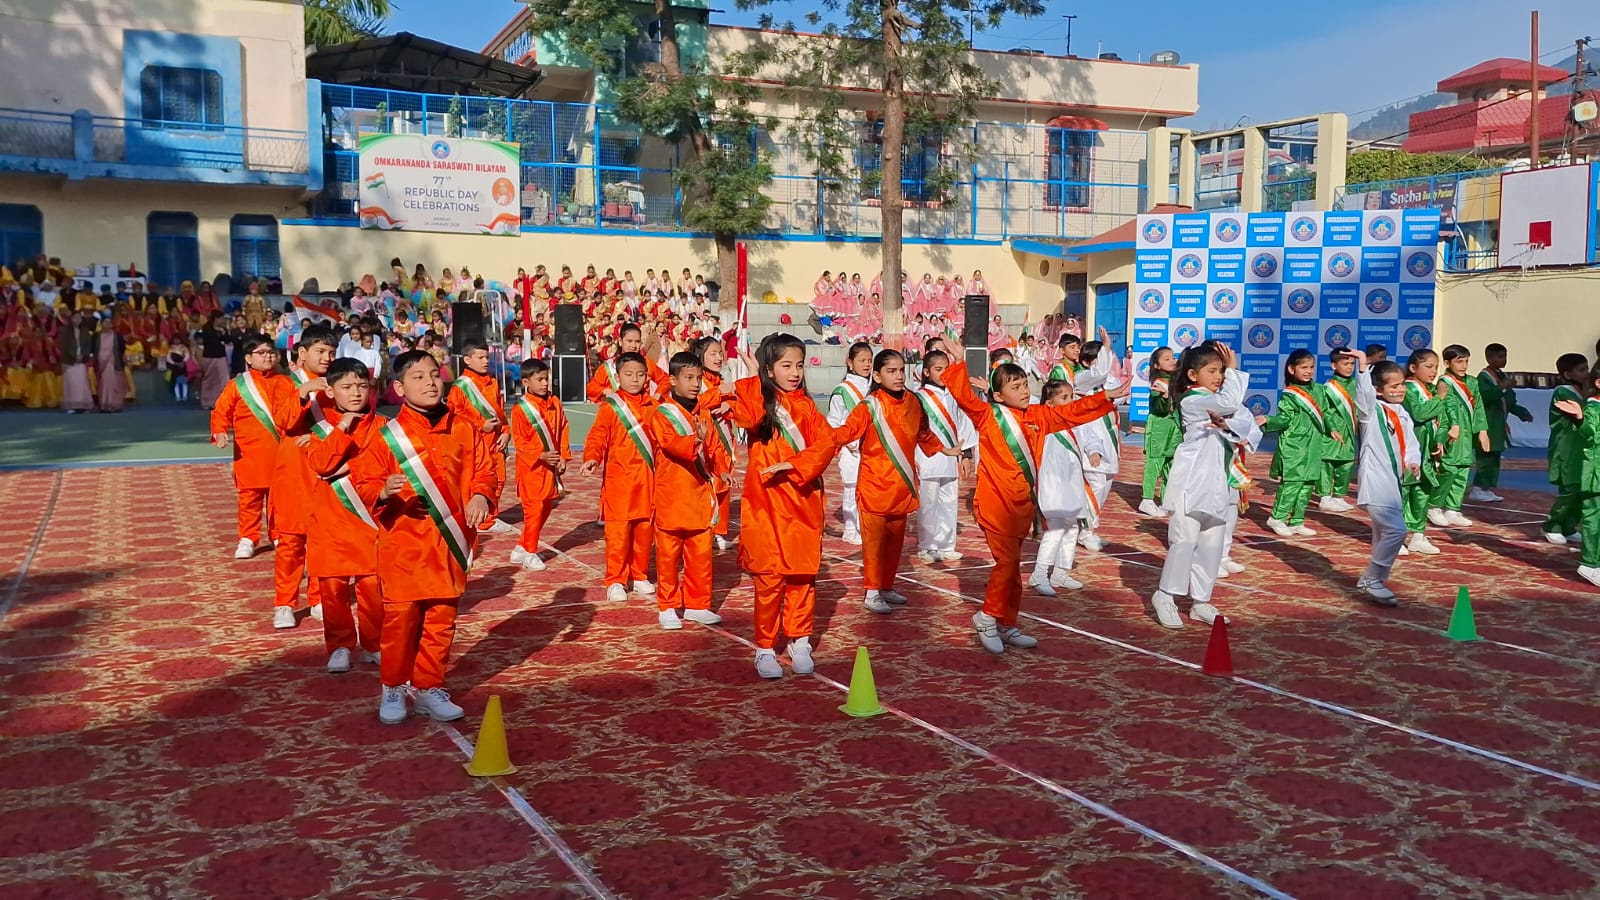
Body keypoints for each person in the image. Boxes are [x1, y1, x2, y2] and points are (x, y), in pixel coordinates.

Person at [931, 337, 1122, 653]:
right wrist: (960, 361)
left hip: (1022, 506)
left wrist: (1105, 398)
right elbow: (963, 396)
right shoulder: (987, 415)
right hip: (995, 505)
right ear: (997, 395)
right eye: (1015, 387)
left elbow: (1072, 412)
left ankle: (1007, 623)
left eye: (1024, 384)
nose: (1023, 390)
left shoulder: (1038, 415)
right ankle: (987, 618)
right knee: (1006, 564)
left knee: (1013, 568)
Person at [353, 349, 498, 725]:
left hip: (449, 544)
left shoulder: (464, 427)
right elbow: (363, 481)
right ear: (399, 388)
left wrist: (481, 495)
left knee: (441, 621)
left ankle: (430, 685)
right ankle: (393, 687)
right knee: (400, 621)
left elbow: (485, 470)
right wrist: (383, 491)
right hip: (405, 545)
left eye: (434, 374)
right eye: (418, 377)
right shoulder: (387, 437)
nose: (430, 383)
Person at [726, 334, 841, 678]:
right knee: (769, 579)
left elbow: (827, 443)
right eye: (786, 365)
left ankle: (799, 639)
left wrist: (794, 464)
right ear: (769, 370)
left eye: (799, 365)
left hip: (803, 502)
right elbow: (748, 418)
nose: (794, 373)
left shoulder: (807, 407)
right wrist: (752, 381)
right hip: (766, 505)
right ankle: (764, 648)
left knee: (802, 577)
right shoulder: (761, 402)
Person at [832, 349, 950, 614]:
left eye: (901, 371)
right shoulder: (869, 406)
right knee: (874, 544)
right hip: (875, 485)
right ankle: (872, 591)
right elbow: (843, 433)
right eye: (891, 371)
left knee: (895, 542)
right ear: (877, 375)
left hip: (901, 485)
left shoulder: (913, 402)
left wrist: (945, 449)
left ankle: (886, 585)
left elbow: (923, 433)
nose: (898, 376)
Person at [1150, 343, 1249, 628]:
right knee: (1184, 541)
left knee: (1211, 544)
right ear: (1193, 375)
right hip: (1192, 482)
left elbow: (1245, 424)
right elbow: (1230, 405)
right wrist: (1233, 371)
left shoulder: (1217, 399)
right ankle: (1165, 595)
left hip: (1218, 482)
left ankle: (1201, 601)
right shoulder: (1192, 400)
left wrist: (1230, 427)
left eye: (1221, 371)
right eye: (1213, 371)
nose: (1219, 376)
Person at [303, 358, 385, 671]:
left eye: (362, 386)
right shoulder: (322, 428)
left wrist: (353, 466)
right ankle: (339, 646)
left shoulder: (384, 426)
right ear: (331, 391)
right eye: (347, 387)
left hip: (369, 520)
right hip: (331, 521)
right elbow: (322, 464)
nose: (355, 393)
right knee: (333, 590)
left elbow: (388, 465)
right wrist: (342, 427)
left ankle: (374, 643)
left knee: (372, 590)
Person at [648, 352, 731, 630]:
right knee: (668, 557)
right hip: (672, 495)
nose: (695, 384)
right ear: (673, 380)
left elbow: (715, 448)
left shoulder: (703, 413)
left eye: (698, 378)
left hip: (699, 495)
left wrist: (722, 469)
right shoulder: (662, 414)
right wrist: (696, 439)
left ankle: (698, 604)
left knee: (701, 556)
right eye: (689, 378)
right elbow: (671, 444)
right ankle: (668, 605)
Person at [266, 326, 339, 629]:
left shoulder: (337, 383)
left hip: (327, 470)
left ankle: (319, 597)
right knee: (291, 541)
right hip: (294, 472)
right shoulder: (285, 383)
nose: (327, 358)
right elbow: (283, 421)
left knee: (324, 539)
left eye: (331, 352)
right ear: (302, 352)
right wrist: (303, 392)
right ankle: (285, 602)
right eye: (320, 352)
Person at [210, 335, 300, 560]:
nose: (267, 357)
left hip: (281, 451)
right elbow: (221, 411)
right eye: (261, 353)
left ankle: (278, 534)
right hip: (249, 453)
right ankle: (248, 538)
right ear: (249, 358)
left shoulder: (287, 382)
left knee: (280, 498)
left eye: (271, 353)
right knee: (250, 498)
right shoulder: (237, 385)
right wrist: (219, 432)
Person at [581, 352, 659, 602]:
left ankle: (639, 574)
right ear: (618, 376)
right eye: (629, 374)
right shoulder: (611, 406)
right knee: (618, 533)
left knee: (645, 530)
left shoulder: (654, 406)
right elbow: (598, 436)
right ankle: (615, 579)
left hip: (648, 479)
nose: (635, 379)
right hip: (620, 481)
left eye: (640, 374)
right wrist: (592, 457)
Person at [1350, 353, 1421, 605]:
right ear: (1378, 390)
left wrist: (1413, 461)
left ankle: (1373, 579)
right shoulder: (1372, 412)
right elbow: (1363, 397)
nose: (1400, 390)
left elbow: (1411, 444)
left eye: (1402, 384)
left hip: (1394, 483)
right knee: (1396, 530)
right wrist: (1362, 368)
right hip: (1375, 482)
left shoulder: (1402, 413)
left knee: (1383, 533)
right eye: (1394, 386)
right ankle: (1373, 578)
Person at [1029, 379, 1106, 595]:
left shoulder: (1077, 420)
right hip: (1052, 480)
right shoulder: (1045, 419)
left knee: (1072, 527)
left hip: (1073, 480)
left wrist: (1094, 451)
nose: (1070, 401)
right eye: (1064, 398)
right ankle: (1039, 574)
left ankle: (1060, 572)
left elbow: (1091, 437)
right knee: (1055, 528)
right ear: (1049, 402)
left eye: (1071, 396)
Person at [912, 349, 976, 563]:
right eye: (938, 369)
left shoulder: (953, 394)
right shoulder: (918, 397)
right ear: (927, 372)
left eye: (946, 369)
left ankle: (947, 544)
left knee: (949, 502)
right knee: (928, 504)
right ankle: (927, 546)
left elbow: (964, 423)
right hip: (927, 457)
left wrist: (967, 455)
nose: (943, 373)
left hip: (951, 456)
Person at [1262, 349, 1333, 538]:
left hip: (1314, 444)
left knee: (1308, 484)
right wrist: (1268, 420)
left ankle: (1297, 521)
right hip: (1295, 445)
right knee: (1292, 483)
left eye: (1311, 367)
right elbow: (1285, 419)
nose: (1308, 371)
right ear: (1292, 369)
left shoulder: (1319, 389)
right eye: (1304, 367)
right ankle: (1277, 518)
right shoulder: (1290, 394)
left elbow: (1325, 413)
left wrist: (1331, 429)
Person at [448, 339, 515, 536]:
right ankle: (482, 520)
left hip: (495, 441)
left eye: (487, 357)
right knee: (478, 480)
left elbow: (500, 412)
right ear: (467, 360)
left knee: (499, 479)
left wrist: (506, 432)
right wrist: (480, 425)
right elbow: (453, 417)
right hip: (474, 444)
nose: (486, 361)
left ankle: (490, 516)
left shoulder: (493, 383)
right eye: (481, 357)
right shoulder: (460, 387)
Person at [509, 359, 570, 571]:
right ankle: (530, 552)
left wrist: (563, 455)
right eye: (540, 380)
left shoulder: (555, 402)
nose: (545, 383)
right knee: (534, 510)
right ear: (526, 382)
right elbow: (520, 441)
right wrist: (540, 455)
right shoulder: (521, 409)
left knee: (546, 508)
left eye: (546, 379)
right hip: (531, 469)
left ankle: (521, 546)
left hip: (550, 467)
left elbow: (563, 428)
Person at [1551, 363, 1600, 587]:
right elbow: (1589, 432)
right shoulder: (1593, 407)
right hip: (1596, 471)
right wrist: (1580, 418)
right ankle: (1590, 564)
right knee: (1594, 519)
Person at [1071, 331, 1120, 551]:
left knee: (1105, 485)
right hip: (1091, 440)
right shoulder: (1081, 379)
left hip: (1110, 438)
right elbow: (1099, 373)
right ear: (1086, 362)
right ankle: (1085, 531)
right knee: (1095, 487)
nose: (1105, 362)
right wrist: (1106, 346)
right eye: (1099, 357)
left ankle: (1090, 528)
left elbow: (1120, 393)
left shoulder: (1107, 381)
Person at [1428, 344, 1487, 529]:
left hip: (1467, 434)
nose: (1464, 366)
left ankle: (1453, 508)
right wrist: (1454, 424)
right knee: (1448, 470)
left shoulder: (1472, 382)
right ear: (1447, 363)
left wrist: (1482, 430)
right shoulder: (1445, 382)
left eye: (1466, 361)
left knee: (1462, 471)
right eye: (1459, 361)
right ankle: (1434, 506)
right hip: (1452, 432)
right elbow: (1448, 405)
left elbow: (1478, 406)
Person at [1469, 342, 1532, 502]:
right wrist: (1501, 387)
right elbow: (1485, 397)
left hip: (1498, 425)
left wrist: (1521, 412)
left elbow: (1509, 400)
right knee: (1485, 458)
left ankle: (1487, 488)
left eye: (1505, 356)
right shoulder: (1484, 377)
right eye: (1499, 356)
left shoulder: (1502, 376)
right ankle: (1477, 488)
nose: (1503, 359)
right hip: (1486, 424)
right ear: (1489, 358)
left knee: (1494, 458)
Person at [1401, 349, 1448, 555]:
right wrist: (1440, 398)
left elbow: (1442, 420)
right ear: (1413, 368)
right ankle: (1396, 536)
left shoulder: (1430, 390)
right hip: (1410, 449)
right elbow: (1419, 414)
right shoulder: (1409, 389)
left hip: (1427, 451)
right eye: (1428, 366)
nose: (1433, 371)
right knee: (1404, 492)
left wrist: (1440, 439)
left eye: (1436, 367)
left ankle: (1418, 536)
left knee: (1422, 492)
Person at [695, 336, 738, 551]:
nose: (718, 358)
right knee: (708, 486)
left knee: (724, 485)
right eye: (713, 354)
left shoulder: (720, 380)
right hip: (706, 443)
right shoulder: (698, 380)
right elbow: (697, 402)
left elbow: (736, 401)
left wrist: (729, 404)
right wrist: (719, 393)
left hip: (724, 441)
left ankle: (720, 532)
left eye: (720, 353)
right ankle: (706, 530)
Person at [828, 342, 873, 545]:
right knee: (852, 487)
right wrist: (849, 442)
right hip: (851, 450)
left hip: (871, 449)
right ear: (850, 362)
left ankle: (864, 527)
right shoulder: (842, 391)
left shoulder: (873, 388)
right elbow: (834, 423)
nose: (866, 365)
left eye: (869, 360)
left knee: (869, 489)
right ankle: (849, 528)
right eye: (862, 360)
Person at [1544, 353, 1591, 545]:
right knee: (1570, 489)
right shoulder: (1563, 392)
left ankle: (1569, 526)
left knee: (1583, 490)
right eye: (1581, 370)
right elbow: (1584, 411)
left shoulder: (1583, 391)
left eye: (1587, 368)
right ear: (1567, 374)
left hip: (1583, 448)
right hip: (1566, 449)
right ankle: (1552, 525)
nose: (1587, 373)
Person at [1317, 349, 1360, 513]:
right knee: (1328, 463)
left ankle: (1339, 496)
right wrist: (1332, 428)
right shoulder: (1329, 387)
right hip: (1333, 431)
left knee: (1346, 464)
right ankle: (1325, 497)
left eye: (1352, 364)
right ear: (1334, 366)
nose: (1349, 367)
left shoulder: (1357, 384)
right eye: (1345, 363)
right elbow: (1324, 410)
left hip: (1350, 430)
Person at [1138, 347, 1179, 518]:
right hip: (1160, 429)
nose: (1172, 361)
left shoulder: (1176, 381)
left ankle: (1166, 500)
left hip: (1175, 428)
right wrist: (1164, 397)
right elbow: (1159, 409)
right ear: (1156, 365)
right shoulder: (1158, 383)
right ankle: (1147, 500)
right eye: (1167, 359)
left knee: (1172, 464)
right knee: (1154, 463)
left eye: (1173, 357)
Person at [585, 322, 669, 402]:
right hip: (618, 410)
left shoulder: (646, 363)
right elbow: (591, 388)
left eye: (637, 342)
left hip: (641, 410)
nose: (633, 346)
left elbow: (665, 379)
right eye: (629, 341)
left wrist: (658, 393)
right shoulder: (609, 366)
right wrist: (604, 390)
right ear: (620, 341)